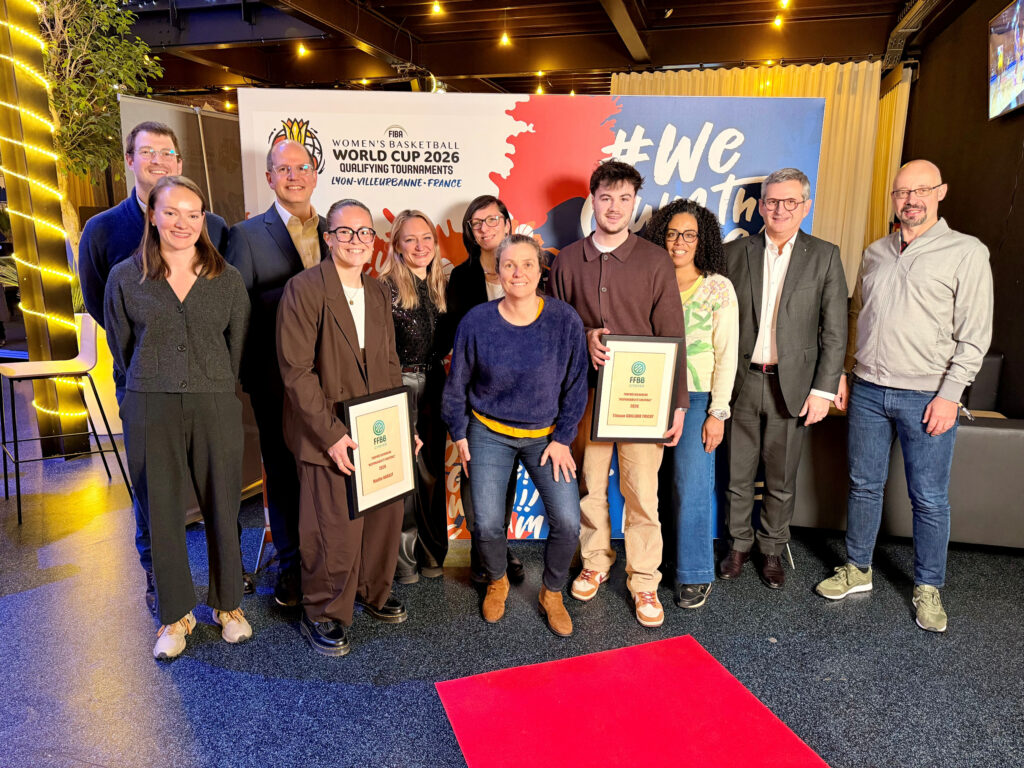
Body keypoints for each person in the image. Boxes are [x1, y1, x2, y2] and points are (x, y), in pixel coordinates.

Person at [815, 160, 993, 633]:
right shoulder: (875, 251)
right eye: (902, 192)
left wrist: (950, 395)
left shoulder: (967, 252)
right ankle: (858, 569)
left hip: (927, 395)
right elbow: (857, 316)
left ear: (941, 192)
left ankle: (928, 587)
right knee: (863, 485)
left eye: (921, 190)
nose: (910, 200)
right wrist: (846, 373)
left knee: (928, 498)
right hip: (868, 390)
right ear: (893, 198)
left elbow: (975, 336)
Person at [79, 121, 231, 616]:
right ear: (130, 160)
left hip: (205, 383)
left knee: (217, 492)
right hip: (143, 382)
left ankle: (227, 589)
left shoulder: (216, 229)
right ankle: (159, 580)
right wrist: (145, 363)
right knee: (154, 495)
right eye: (148, 152)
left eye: (167, 153)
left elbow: (227, 311)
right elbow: (104, 308)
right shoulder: (103, 230)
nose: (159, 161)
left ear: (180, 163)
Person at [103, 175, 251, 660]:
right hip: (151, 402)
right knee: (161, 509)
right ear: (152, 215)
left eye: (192, 213)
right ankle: (174, 615)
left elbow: (236, 346)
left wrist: (211, 381)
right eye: (170, 212)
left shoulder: (227, 278)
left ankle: (228, 605)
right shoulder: (125, 278)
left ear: (203, 218)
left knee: (222, 503)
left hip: (214, 400)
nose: (182, 223)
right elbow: (122, 349)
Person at [548, 160, 688, 629]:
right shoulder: (568, 261)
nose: (614, 207)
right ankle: (595, 560)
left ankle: (644, 579)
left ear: (634, 203)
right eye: (606, 197)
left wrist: (678, 403)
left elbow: (673, 334)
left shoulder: (655, 260)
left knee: (642, 492)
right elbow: (554, 330)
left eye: (624, 198)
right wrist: (584, 335)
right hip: (586, 397)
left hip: (642, 403)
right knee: (590, 486)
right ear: (593, 200)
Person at [277, 198, 419, 657]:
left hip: (376, 423)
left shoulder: (376, 291)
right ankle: (324, 610)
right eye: (344, 231)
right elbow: (296, 372)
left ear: (373, 240)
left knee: (382, 515)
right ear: (328, 237)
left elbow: (391, 362)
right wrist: (332, 434)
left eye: (364, 232)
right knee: (332, 527)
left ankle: (372, 591)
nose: (355, 240)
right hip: (326, 429)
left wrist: (403, 424)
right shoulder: (304, 289)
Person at [443, 234, 588, 636]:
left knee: (568, 522)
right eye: (509, 265)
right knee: (487, 524)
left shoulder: (564, 320)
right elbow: (457, 383)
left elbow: (576, 385)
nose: (518, 272)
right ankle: (497, 581)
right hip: (488, 432)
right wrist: (459, 433)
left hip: (546, 436)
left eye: (527, 264)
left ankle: (551, 592)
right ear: (497, 271)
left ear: (541, 270)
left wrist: (563, 438)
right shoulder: (477, 321)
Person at [720, 167, 848, 590]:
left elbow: (835, 330)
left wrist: (823, 390)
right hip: (741, 381)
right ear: (761, 205)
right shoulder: (733, 253)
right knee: (737, 475)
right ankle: (738, 545)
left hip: (793, 386)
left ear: (805, 206)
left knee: (781, 479)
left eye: (790, 201)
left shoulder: (824, 255)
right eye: (772, 200)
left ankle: (772, 548)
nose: (780, 209)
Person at [224, 139, 328, 608]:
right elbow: (236, 312)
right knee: (284, 475)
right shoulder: (245, 236)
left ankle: (328, 559)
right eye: (283, 169)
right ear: (269, 177)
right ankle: (290, 567)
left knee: (328, 472)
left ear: (315, 174)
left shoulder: (335, 230)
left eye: (302, 167)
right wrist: (249, 376)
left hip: (331, 381)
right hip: (276, 381)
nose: (294, 176)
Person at [643, 199, 738, 610]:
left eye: (689, 235)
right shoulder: (649, 281)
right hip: (649, 394)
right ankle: (658, 563)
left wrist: (718, 412)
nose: (679, 241)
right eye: (671, 233)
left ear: (703, 241)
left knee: (692, 485)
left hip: (698, 397)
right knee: (650, 487)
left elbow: (727, 354)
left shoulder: (718, 287)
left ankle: (695, 572)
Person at [444, 195, 526, 585]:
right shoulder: (462, 277)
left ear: (508, 223)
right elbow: (457, 335)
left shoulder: (526, 268)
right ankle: (482, 553)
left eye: (492, 220)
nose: (485, 228)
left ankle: (498, 547)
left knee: (506, 477)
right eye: (476, 223)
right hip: (477, 395)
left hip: (520, 396)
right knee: (477, 476)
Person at [378, 209, 449, 583]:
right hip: (399, 384)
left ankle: (432, 554)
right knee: (403, 473)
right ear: (396, 246)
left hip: (435, 384)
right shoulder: (384, 288)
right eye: (410, 239)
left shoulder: (442, 286)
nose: (420, 246)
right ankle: (404, 562)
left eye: (426, 238)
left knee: (431, 473)